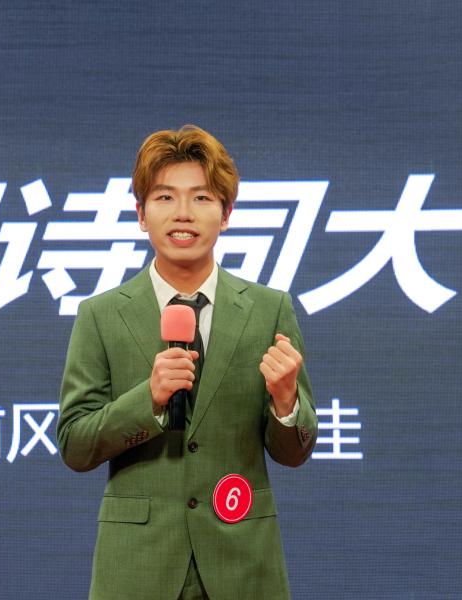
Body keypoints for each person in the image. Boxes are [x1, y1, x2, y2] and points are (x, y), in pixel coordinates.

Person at [58, 125, 317, 600]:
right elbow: (75, 445)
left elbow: (294, 451)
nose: (183, 213)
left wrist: (286, 403)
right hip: (138, 567)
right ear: (141, 214)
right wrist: (149, 399)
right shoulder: (100, 315)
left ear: (226, 213)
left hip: (243, 563)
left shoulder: (269, 310)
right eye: (165, 197)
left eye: (201, 198)